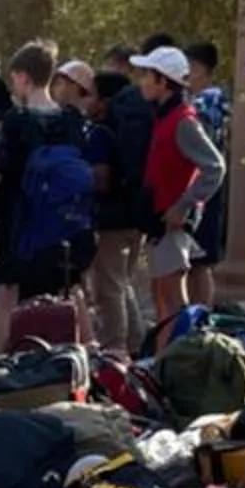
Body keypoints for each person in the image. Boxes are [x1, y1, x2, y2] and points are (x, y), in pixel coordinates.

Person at [0, 41, 97, 353]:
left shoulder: (17, 121)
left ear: (22, 77)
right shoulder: (71, 120)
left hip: (19, 223)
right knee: (72, 290)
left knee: (6, 295)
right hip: (64, 223)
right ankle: (91, 358)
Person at [132, 44, 226, 346]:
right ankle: (165, 362)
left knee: (174, 300)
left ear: (163, 81)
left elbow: (215, 167)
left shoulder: (183, 121)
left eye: (148, 75)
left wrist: (183, 205)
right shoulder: (165, 117)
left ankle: (181, 362)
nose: (142, 81)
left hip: (173, 226)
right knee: (162, 297)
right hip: (159, 222)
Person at [88, 55, 157, 356]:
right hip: (136, 212)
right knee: (123, 283)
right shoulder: (134, 119)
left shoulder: (104, 131)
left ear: (103, 100)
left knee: (109, 288)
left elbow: (102, 177)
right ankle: (138, 343)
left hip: (113, 218)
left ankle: (115, 349)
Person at [187, 41, 230, 307]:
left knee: (200, 262)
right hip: (207, 185)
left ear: (199, 69)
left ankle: (201, 313)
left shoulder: (207, 101)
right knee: (194, 262)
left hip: (204, 186)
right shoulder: (219, 99)